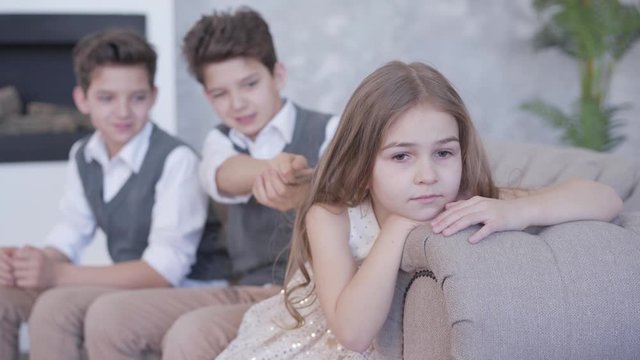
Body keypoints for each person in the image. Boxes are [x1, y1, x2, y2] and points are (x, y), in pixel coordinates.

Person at [216, 61, 623, 359]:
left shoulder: (467, 198)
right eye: (401, 157)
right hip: (312, 341)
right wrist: (397, 231)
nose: (427, 175)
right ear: (363, 165)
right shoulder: (333, 214)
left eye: (443, 152)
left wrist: (516, 211)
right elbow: (353, 333)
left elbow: (605, 198)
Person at [81, 7, 340, 359]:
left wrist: (302, 187)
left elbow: (347, 198)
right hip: (244, 289)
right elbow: (224, 174)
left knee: (191, 333)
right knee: (109, 315)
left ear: (277, 75)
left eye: (250, 84)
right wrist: (273, 170)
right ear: (207, 97)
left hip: (307, 292)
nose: (237, 104)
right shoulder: (219, 142)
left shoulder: (330, 130)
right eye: (220, 93)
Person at [0, 29, 231, 360]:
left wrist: (57, 275)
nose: (123, 112)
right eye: (107, 98)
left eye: (136, 98)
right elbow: (70, 233)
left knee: (57, 305)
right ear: (82, 99)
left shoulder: (176, 160)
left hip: (182, 289)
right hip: (130, 286)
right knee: (3, 296)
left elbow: (164, 271)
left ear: (153, 96)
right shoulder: (85, 153)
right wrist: (28, 264)